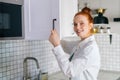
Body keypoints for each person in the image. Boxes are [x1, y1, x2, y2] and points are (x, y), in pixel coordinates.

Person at [49, 11, 101, 80]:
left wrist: (56, 45)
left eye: (81, 23)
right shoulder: (82, 44)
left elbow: (69, 71)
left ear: (90, 26)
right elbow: (65, 45)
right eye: (75, 24)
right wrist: (55, 38)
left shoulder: (91, 48)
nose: (77, 27)